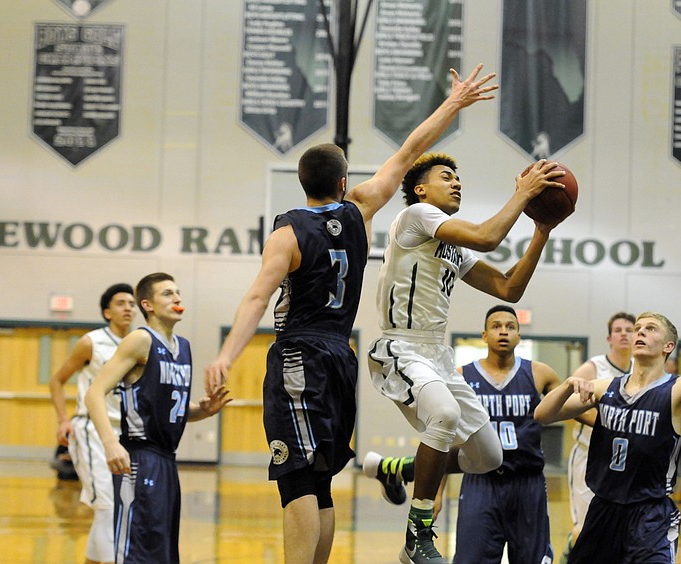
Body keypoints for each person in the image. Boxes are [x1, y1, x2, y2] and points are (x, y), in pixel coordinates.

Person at [203, 64, 499, 564]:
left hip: (300, 354)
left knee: (298, 479)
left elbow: (257, 298)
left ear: (302, 183)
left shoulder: (287, 232)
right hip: (342, 357)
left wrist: (226, 356)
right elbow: (408, 152)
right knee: (321, 484)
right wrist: (455, 103)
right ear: (344, 181)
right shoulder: (359, 208)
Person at [364, 151, 566, 563]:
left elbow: (509, 290)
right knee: (444, 414)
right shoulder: (416, 216)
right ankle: (418, 532)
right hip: (401, 346)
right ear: (421, 189)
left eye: (459, 177)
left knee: (488, 457)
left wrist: (541, 232)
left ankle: (399, 469)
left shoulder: (454, 247)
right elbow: (488, 236)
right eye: (446, 176)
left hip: (436, 354)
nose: (457, 182)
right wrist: (524, 194)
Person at [535, 262, 681, 563]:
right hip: (603, 510)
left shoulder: (679, 390)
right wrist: (568, 384)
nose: (640, 333)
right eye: (637, 328)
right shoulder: (606, 386)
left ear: (668, 346)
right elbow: (542, 415)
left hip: (649, 515)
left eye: (650, 329)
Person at [85, 273, 230, 563]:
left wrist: (202, 411)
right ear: (148, 305)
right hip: (138, 459)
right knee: (135, 552)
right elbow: (94, 392)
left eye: (177, 292)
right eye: (167, 294)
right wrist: (111, 443)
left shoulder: (184, 348)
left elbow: (163, 408)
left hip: (166, 461)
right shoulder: (140, 340)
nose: (177, 298)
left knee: (162, 553)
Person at [453, 305, 559, 563]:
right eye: (496, 326)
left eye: (510, 327)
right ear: (484, 335)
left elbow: (573, 410)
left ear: (519, 336)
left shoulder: (540, 373)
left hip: (527, 482)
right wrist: (432, 494)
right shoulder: (461, 377)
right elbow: (445, 437)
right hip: (481, 481)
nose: (503, 332)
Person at [49, 283, 135, 564]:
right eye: (121, 303)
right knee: (106, 506)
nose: (128, 308)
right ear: (107, 311)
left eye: (132, 303)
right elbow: (57, 380)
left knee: (117, 508)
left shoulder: (137, 343)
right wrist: (64, 419)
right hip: (91, 430)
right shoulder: (91, 342)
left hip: (125, 434)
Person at [562, 311, 634, 561]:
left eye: (629, 329)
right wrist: (609, 425)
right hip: (589, 456)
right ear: (609, 338)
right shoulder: (593, 367)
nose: (624, 334)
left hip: (624, 461)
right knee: (584, 527)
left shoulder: (641, 370)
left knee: (619, 529)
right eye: (618, 330)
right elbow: (565, 405)